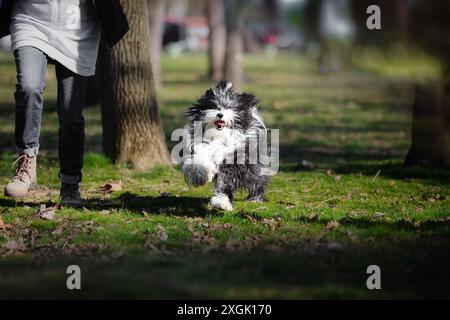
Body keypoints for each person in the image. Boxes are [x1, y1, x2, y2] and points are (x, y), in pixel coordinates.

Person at [0, 0, 129, 206]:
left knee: (71, 113)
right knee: (29, 87)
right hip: (31, 19)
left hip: (77, 27)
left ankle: (70, 183)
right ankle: (27, 162)